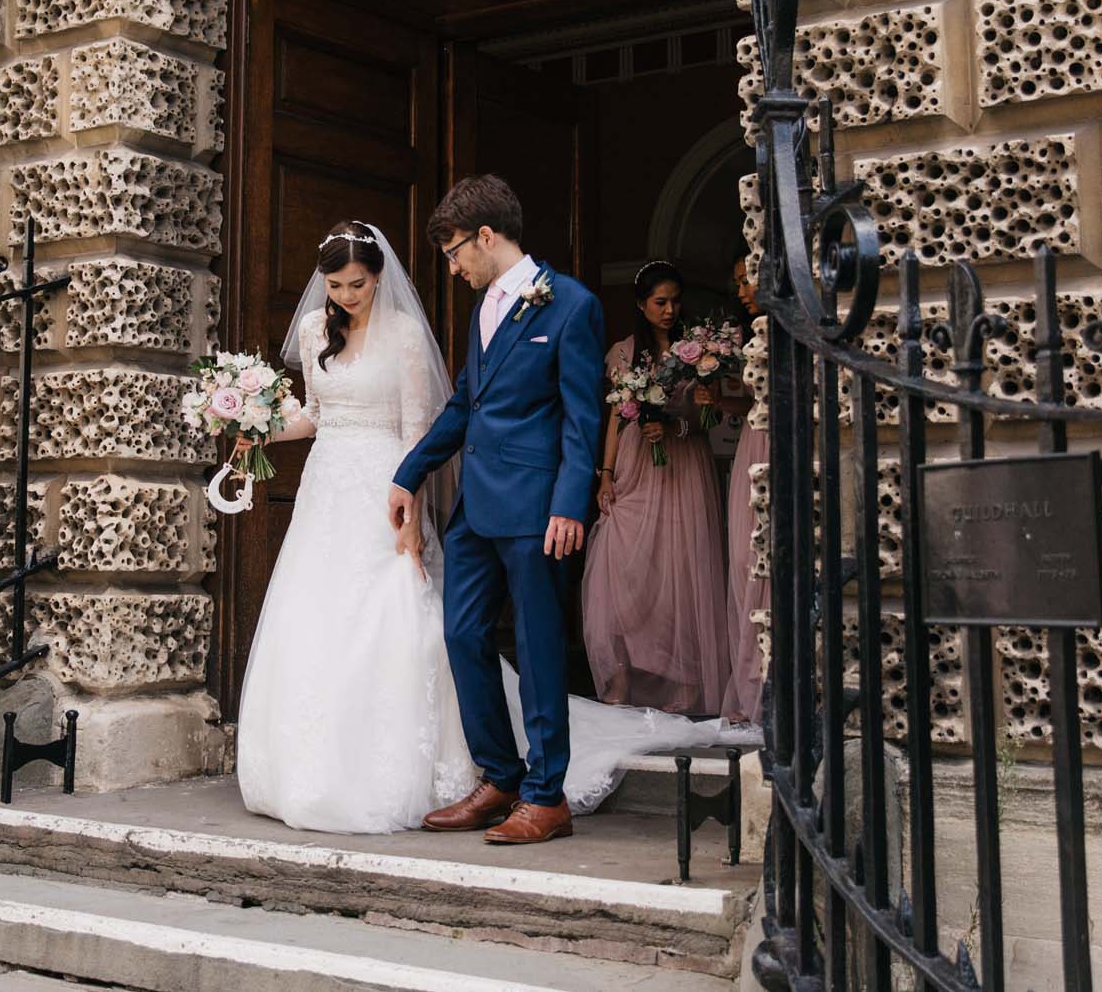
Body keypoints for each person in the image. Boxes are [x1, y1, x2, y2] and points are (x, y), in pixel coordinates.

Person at [237, 209, 745, 838]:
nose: (451, 268)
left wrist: (569, 503)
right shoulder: (483, 308)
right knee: (461, 634)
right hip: (466, 503)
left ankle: (544, 795)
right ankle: (499, 775)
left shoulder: (572, 305)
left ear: (484, 237)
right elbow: (462, 407)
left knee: (535, 645)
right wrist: (405, 475)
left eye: (454, 252)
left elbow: (582, 415)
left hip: (535, 504)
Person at [582, 260, 731, 717]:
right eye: (659, 302)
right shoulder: (625, 353)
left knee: (680, 569)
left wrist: (684, 422)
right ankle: (621, 677)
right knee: (621, 566)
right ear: (641, 306)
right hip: (635, 466)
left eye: (674, 302)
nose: (669, 310)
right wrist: (605, 474)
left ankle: (684, 687)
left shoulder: (700, 353)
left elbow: (714, 418)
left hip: (683, 466)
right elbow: (614, 417)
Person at [718, 256, 770, 726]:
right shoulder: (749, 336)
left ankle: (769, 685)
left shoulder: (787, 330)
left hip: (777, 443)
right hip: (751, 444)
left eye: (745, 279)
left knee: (767, 565)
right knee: (743, 559)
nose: (740, 290)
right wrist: (716, 399)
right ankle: (749, 682)